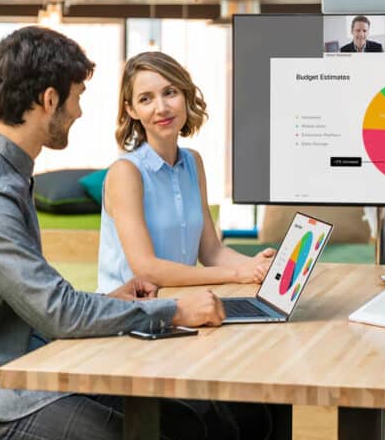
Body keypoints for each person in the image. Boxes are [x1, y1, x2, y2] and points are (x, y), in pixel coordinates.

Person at [0, 27, 270, 440]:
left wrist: (109, 302)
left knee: (203, 423)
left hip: (19, 376)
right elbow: (57, 311)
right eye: (76, 98)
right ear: (49, 98)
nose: (79, 112)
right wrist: (171, 311)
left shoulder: (3, 176)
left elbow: (41, 300)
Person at [98, 51, 275, 292]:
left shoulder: (193, 162)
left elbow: (211, 251)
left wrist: (259, 266)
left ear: (185, 94)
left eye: (170, 93)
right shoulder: (126, 173)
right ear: (131, 110)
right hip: (129, 315)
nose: (161, 108)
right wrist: (236, 274)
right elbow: (146, 268)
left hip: (182, 307)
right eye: (146, 99)